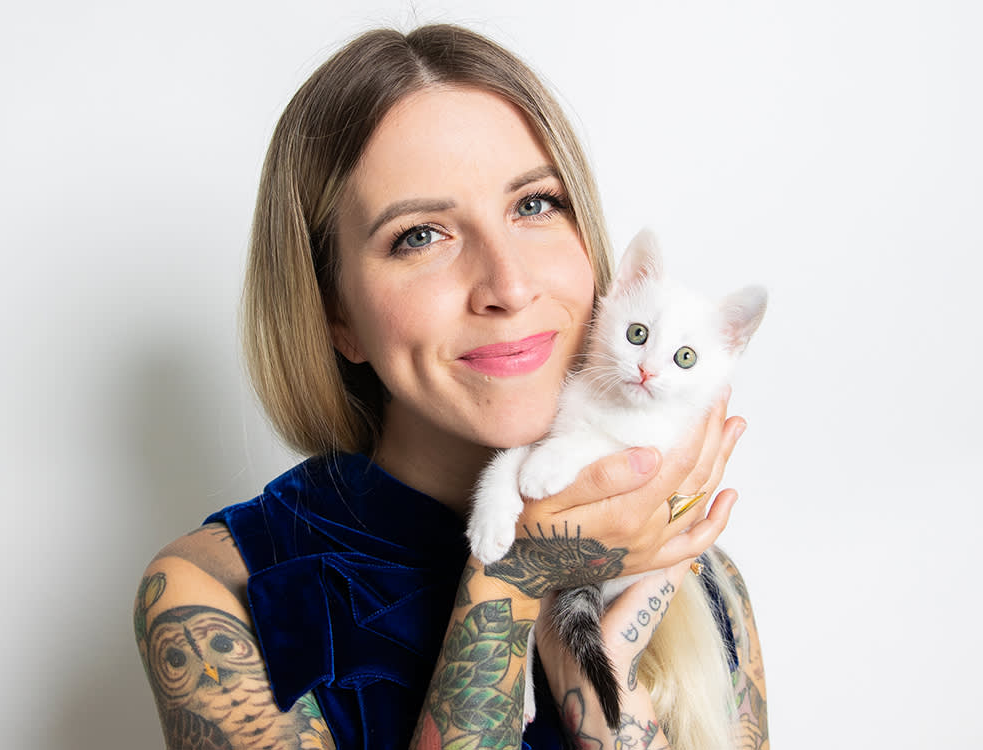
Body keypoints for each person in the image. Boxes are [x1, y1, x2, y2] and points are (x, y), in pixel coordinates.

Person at [134, 24, 768, 750]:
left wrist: (606, 683)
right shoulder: (212, 597)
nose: (508, 284)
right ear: (336, 314)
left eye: (534, 205)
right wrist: (513, 581)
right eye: (420, 235)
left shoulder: (695, 574)